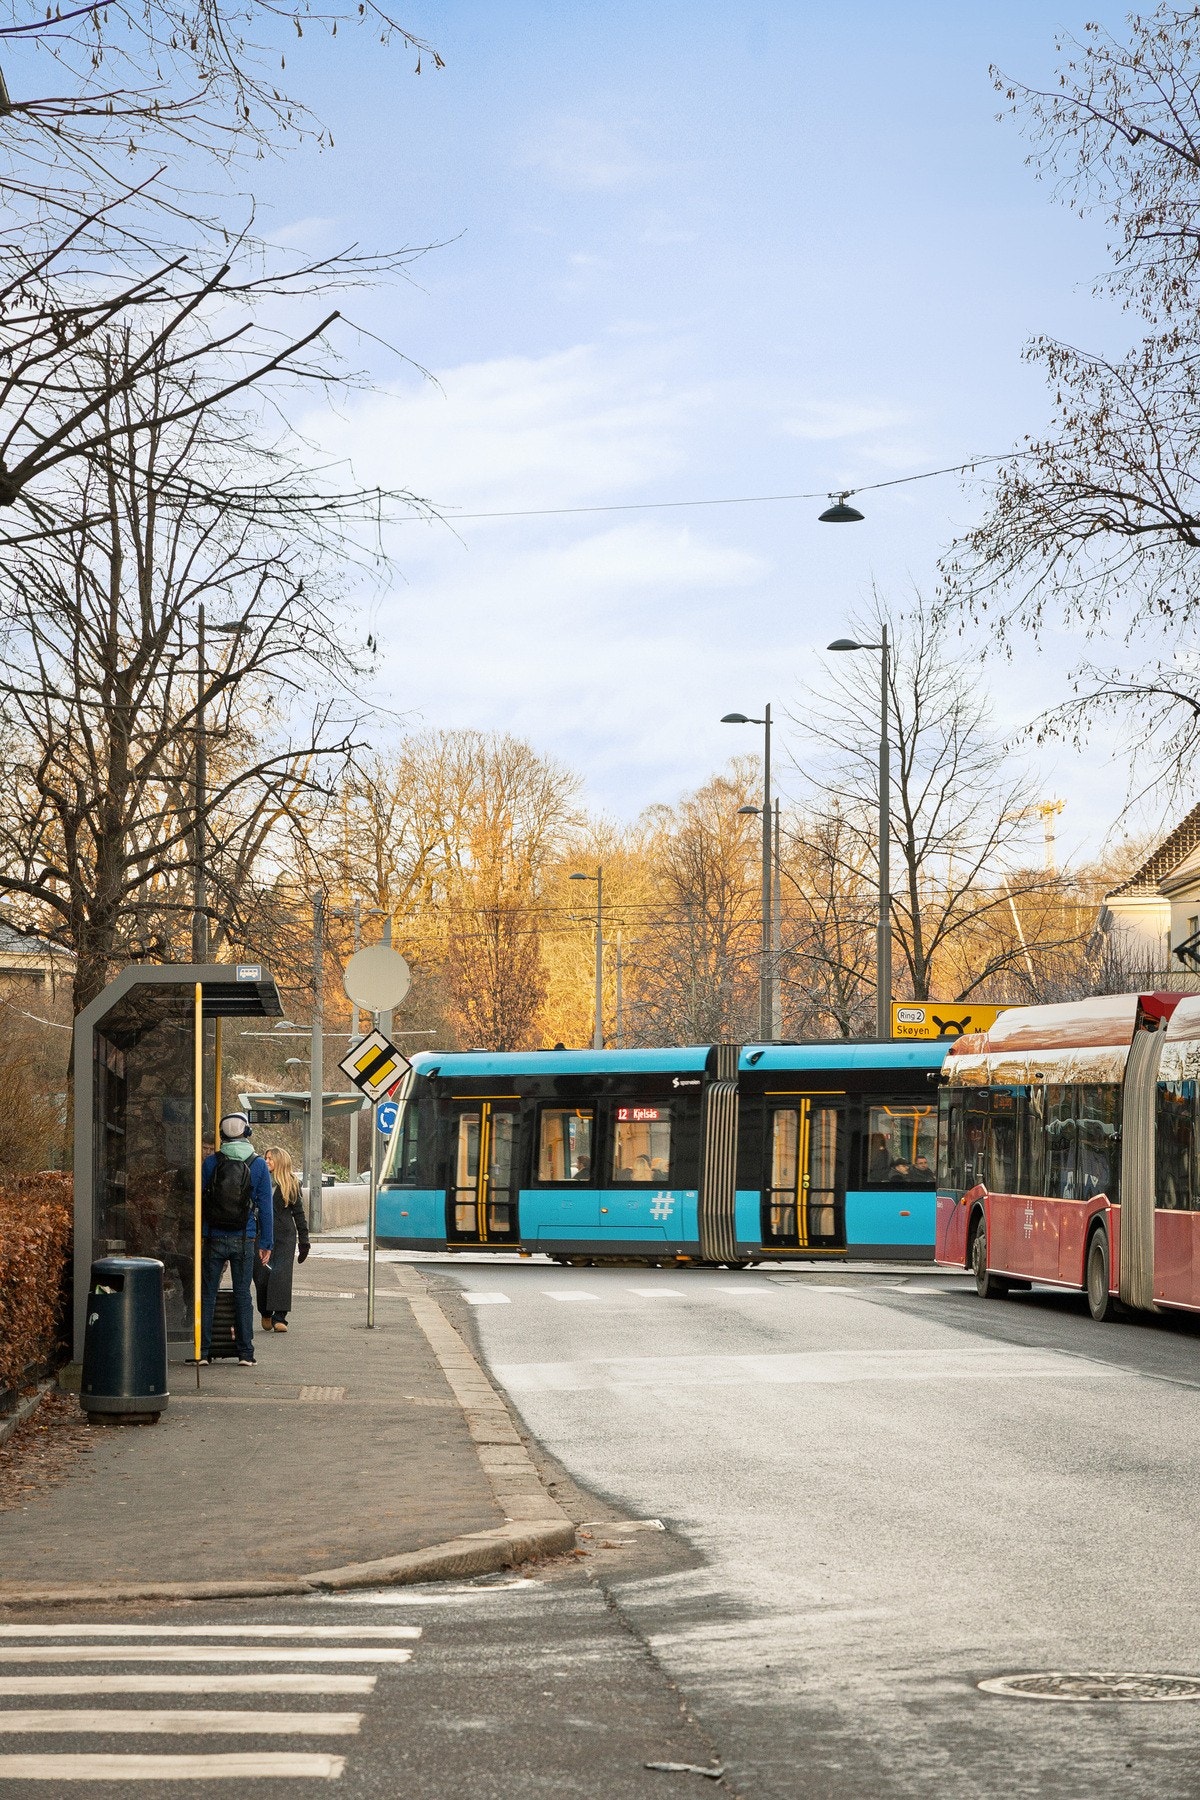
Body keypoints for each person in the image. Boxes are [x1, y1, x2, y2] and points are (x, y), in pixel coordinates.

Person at [200, 1112, 273, 1366]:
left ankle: (203, 1351)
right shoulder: (259, 1164)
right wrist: (266, 1244)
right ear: (247, 1133)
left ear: (222, 1135)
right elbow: (266, 1207)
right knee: (243, 1294)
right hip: (244, 1238)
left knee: (208, 1293)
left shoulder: (210, 1163)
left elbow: (202, 1201)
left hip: (213, 1237)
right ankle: (245, 1353)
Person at [256, 1145, 310, 1332]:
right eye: (266, 1158)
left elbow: (299, 1214)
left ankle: (280, 1317)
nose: (267, 1161)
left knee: (281, 1275)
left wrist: (304, 1241)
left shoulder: (291, 1183)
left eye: (271, 1158)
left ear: (280, 1161)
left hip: (285, 1236)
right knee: (262, 1275)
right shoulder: (258, 1180)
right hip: (261, 1234)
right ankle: (265, 1312)